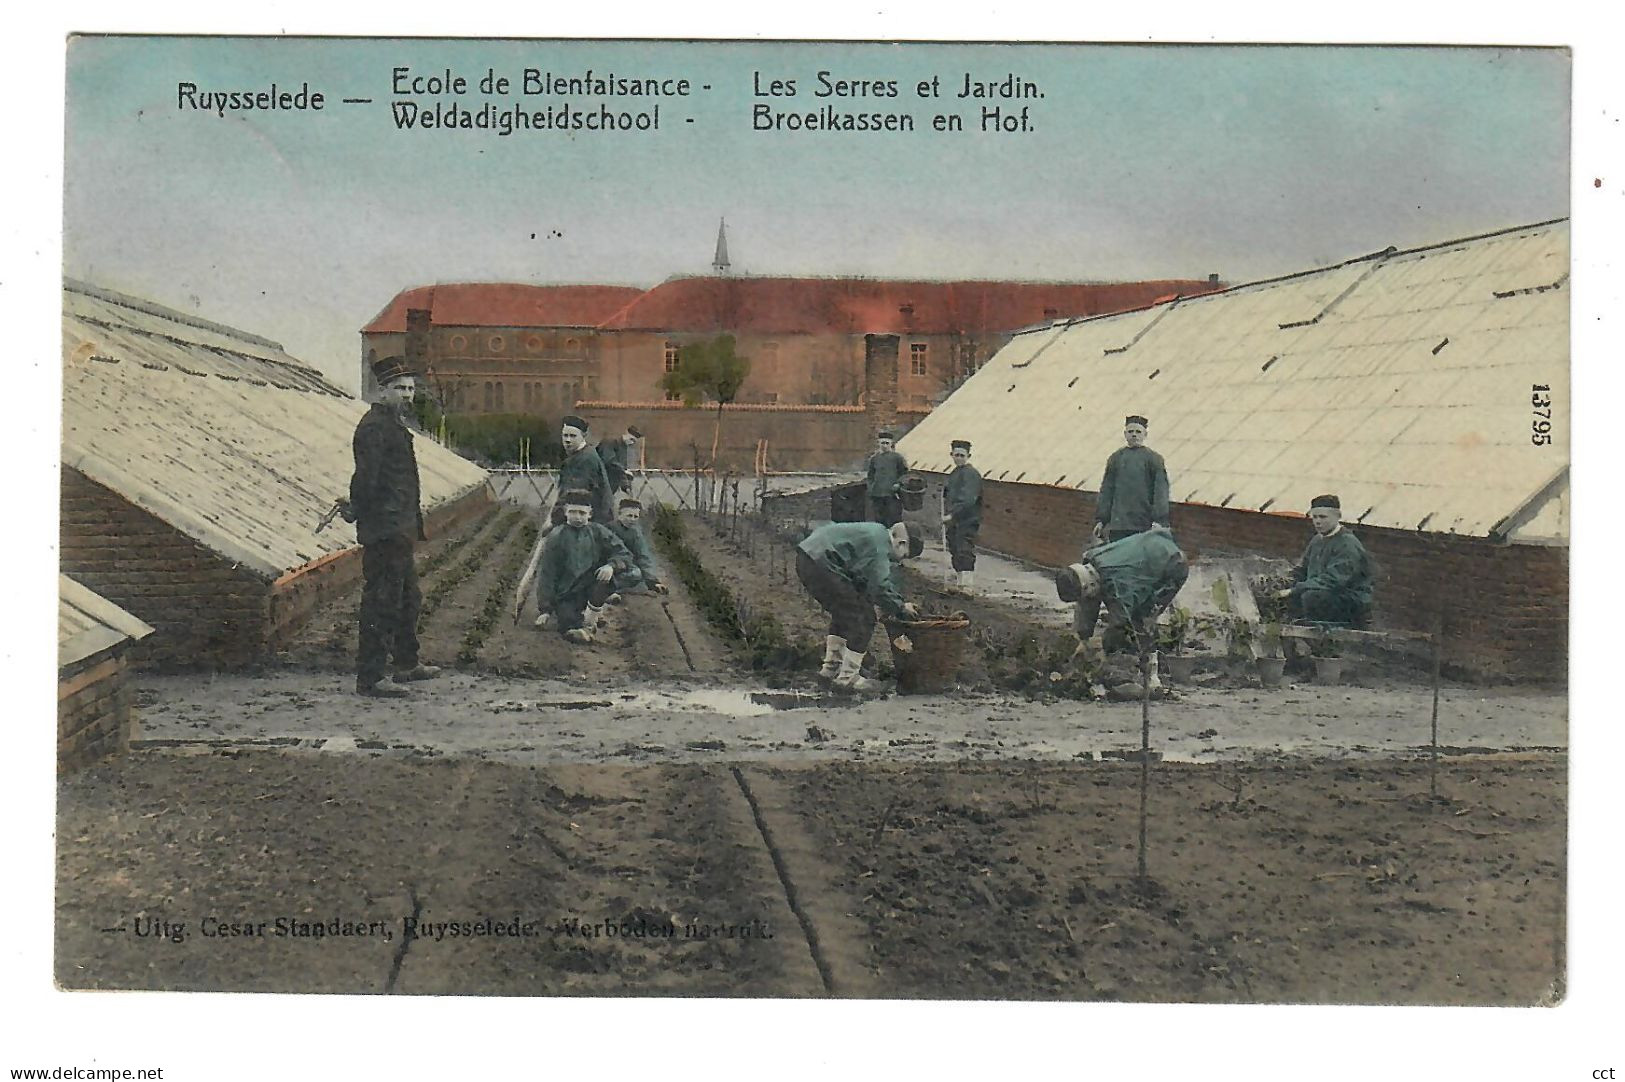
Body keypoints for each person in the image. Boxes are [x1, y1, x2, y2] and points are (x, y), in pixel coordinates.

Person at [346, 355, 440, 697]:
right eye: (399, 388)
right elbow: (366, 478)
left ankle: (405, 663)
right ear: (382, 391)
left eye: (411, 388)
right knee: (382, 602)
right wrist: (358, 508)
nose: (407, 394)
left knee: (408, 597)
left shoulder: (394, 424)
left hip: (399, 526)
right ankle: (370, 678)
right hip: (385, 528)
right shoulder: (373, 427)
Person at [796, 520, 924, 691]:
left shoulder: (876, 532)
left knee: (845, 613)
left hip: (808, 557)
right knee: (865, 617)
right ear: (901, 543)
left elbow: (864, 579)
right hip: (822, 561)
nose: (900, 561)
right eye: (905, 556)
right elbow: (878, 586)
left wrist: (893, 601)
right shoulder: (881, 546)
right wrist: (900, 607)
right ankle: (848, 677)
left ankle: (831, 670)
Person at [1056, 525, 1189, 662]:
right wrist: (1083, 639)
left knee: (1143, 616)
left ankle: (1152, 663)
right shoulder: (1092, 560)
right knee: (1132, 616)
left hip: (1173, 565)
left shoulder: (1118, 585)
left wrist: (1104, 651)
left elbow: (1119, 621)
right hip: (1153, 543)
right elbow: (1087, 605)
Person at [534, 489, 636, 644]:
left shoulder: (597, 531)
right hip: (567, 592)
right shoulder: (556, 536)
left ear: (590, 513)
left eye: (582, 513)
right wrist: (545, 610)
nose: (577, 517)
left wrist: (611, 566)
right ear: (565, 512)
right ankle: (581, 624)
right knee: (568, 623)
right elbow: (548, 574)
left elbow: (624, 553)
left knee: (606, 579)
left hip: (591, 585)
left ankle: (591, 619)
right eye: (573, 512)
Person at [1274, 494, 1374, 626]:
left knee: (1310, 597)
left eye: (1323, 517)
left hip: (1349, 600)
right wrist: (1285, 583)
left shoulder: (1347, 544)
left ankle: (1318, 631)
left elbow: (1333, 580)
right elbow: (1302, 569)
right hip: (1322, 592)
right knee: (1282, 597)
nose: (1317, 521)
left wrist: (1295, 590)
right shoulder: (1317, 540)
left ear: (1338, 516)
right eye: (1314, 517)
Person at [1093, 415, 1171, 544]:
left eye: (1138, 432)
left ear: (1145, 434)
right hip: (1119, 524)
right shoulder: (1115, 458)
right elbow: (1107, 490)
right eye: (1130, 431)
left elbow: (1161, 492)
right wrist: (1101, 520)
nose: (1134, 435)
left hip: (1143, 524)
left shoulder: (1154, 459)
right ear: (1125, 434)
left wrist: (1158, 520)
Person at [551, 415, 615, 528]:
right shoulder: (578, 456)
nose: (568, 440)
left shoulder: (586, 459)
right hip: (586, 518)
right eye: (565, 435)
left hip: (591, 522)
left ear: (583, 436)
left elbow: (575, 495)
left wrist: (554, 521)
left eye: (573, 436)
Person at [604, 497, 668, 600]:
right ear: (619, 514)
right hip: (608, 564)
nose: (632, 519)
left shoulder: (635, 533)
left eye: (635, 516)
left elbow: (643, 556)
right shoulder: (608, 529)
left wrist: (653, 582)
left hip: (625, 566)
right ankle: (606, 591)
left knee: (636, 573)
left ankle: (615, 589)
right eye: (629, 515)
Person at [941, 439, 983, 588]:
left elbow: (968, 500)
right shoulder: (954, 473)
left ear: (968, 456)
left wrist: (952, 515)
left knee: (964, 550)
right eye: (956, 455)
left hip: (967, 520)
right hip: (954, 521)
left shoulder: (971, 474)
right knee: (955, 549)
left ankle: (967, 585)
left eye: (962, 455)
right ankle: (959, 583)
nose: (958, 458)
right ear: (951, 454)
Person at [865, 430, 910, 527]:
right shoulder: (874, 459)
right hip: (877, 494)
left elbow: (905, 474)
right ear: (878, 443)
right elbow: (870, 475)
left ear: (891, 444)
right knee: (879, 520)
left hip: (892, 495)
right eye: (882, 443)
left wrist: (898, 484)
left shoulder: (897, 458)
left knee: (894, 519)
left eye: (887, 443)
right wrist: (871, 487)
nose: (884, 445)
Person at [597, 424, 643, 494]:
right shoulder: (610, 442)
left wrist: (626, 486)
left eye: (634, 441)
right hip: (600, 481)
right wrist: (624, 471)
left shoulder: (624, 447)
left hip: (611, 484)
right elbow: (608, 460)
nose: (631, 442)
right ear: (626, 433)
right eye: (631, 439)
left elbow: (622, 468)